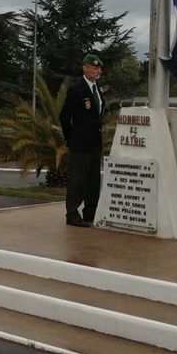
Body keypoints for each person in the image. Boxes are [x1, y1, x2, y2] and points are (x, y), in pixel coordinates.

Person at [59, 53, 106, 227]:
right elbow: (64, 116)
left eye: (99, 68)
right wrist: (71, 138)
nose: (98, 71)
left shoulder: (97, 88)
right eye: (94, 67)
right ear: (85, 68)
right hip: (80, 143)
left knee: (93, 180)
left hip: (94, 143)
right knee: (78, 180)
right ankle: (72, 214)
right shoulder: (77, 89)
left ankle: (90, 213)